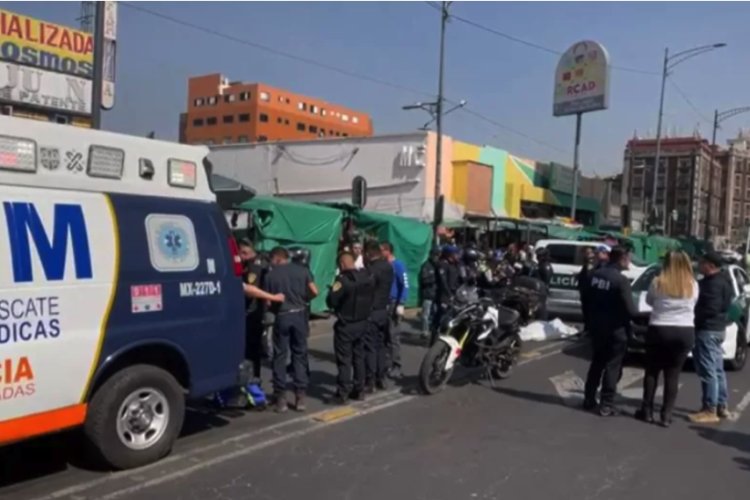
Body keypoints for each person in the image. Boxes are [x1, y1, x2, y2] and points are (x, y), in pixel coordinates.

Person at [635, 251, 698, 427]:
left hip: (660, 328)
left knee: (652, 371)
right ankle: (666, 415)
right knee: (673, 374)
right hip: (684, 331)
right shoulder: (692, 285)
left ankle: (646, 411)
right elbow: (695, 303)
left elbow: (649, 301)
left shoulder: (658, 282)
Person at [583, 246, 645, 416]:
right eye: (628, 258)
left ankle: (588, 398)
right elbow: (631, 311)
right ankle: (606, 404)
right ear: (622, 259)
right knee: (613, 366)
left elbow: (586, 300)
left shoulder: (594, 275)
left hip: (597, 327)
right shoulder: (621, 281)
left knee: (597, 363)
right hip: (616, 330)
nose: (629, 262)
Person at [263, 246, 318, 413]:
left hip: (282, 315)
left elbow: (268, 302)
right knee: (299, 354)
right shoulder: (302, 270)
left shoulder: (270, 275)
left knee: (280, 356)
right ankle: (300, 396)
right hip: (300, 314)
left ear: (277, 259)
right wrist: (304, 299)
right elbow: (315, 291)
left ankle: (281, 398)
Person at [690, 252, 733, 424]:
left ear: (711, 266)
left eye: (702, 263)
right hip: (718, 329)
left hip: (708, 330)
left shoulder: (712, 284)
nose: (699, 265)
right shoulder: (724, 280)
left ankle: (710, 409)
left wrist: (693, 317)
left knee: (708, 370)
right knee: (717, 370)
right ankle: (721, 405)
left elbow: (711, 308)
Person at [327, 252, 375, 404]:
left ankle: (343, 393)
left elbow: (332, 301)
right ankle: (359, 389)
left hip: (346, 324)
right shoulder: (366, 277)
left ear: (341, 264)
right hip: (362, 322)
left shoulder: (343, 281)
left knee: (344, 360)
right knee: (359, 357)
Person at [238, 240, 285, 383]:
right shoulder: (262, 260)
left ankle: (253, 382)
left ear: (244, 252)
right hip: (261, 311)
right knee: (256, 348)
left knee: (251, 351)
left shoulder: (253, 267)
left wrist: (271, 297)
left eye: (240, 254)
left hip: (252, 313)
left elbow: (251, 290)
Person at [364, 241, 393, 392]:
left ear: (369, 254)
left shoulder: (371, 269)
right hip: (383, 310)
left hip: (372, 311)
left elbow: (367, 288)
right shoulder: (388, 267)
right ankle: (381, 377)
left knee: (370, 347)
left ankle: (371, 379)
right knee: (381, 345)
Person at [381, 241, 408, 379]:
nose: (380, 253)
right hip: (384, 304)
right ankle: (386, 364)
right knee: (385, 337)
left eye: (382, 250)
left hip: (393, 303)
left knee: (394, 337)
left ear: (388, 251)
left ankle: (396, 366)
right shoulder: (384, 265)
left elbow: (405, 284)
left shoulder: (398, 265)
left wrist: (401, 303)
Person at [433, 245, 461, 343]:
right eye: (455, 254)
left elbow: (457, 280)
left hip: (453, 295)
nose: (457, 256)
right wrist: (449, 295)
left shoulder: (455, 265)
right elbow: (443, 282)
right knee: (441, 318)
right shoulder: (442, 264)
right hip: (444, 296)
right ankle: (435, 340)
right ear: (449, 255)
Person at [419, 248, 440, 340]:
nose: (436, 257)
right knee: (425, 315)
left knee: (436, 315)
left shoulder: (439, 266)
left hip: (436, 294)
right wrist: (434, 278)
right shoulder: (426, 266)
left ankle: (435, 331)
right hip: (428, 294)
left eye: (438, 255)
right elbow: (424, 280)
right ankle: (425, 332)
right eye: (435, 255)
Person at [577, 247, 597, 334]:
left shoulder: (595, 265)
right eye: (586, 253)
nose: (588, 255)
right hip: (584, 292)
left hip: (590, 293)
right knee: (585, 311)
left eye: (590, 253)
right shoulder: (585, 265)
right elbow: (583, 276)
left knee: (590, 312)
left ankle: (589, 330)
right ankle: (586, 329)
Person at [533, 247, 553, 321]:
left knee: (542, 309)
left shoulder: (545, 266)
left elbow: (546, 279)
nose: (538, 257)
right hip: (537, 290)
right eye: (537, 255)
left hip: (542, 290)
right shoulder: (540, 265)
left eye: (540, 255)